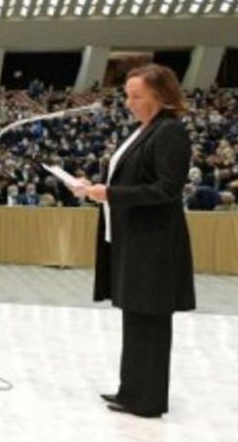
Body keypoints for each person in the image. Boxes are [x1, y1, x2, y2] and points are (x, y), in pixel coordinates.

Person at [74, 65, 195, 419]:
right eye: (128, 95)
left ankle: (148, 399)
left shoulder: (170, 132)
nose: (129, 102)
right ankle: (132, 389)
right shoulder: (145, 131)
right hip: (134, 238)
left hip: (154, 241)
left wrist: (109, 193)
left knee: (150, 320)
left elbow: (166, 189)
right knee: (136, 317)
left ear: (161, 96)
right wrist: (93, 187)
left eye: (136, 96)